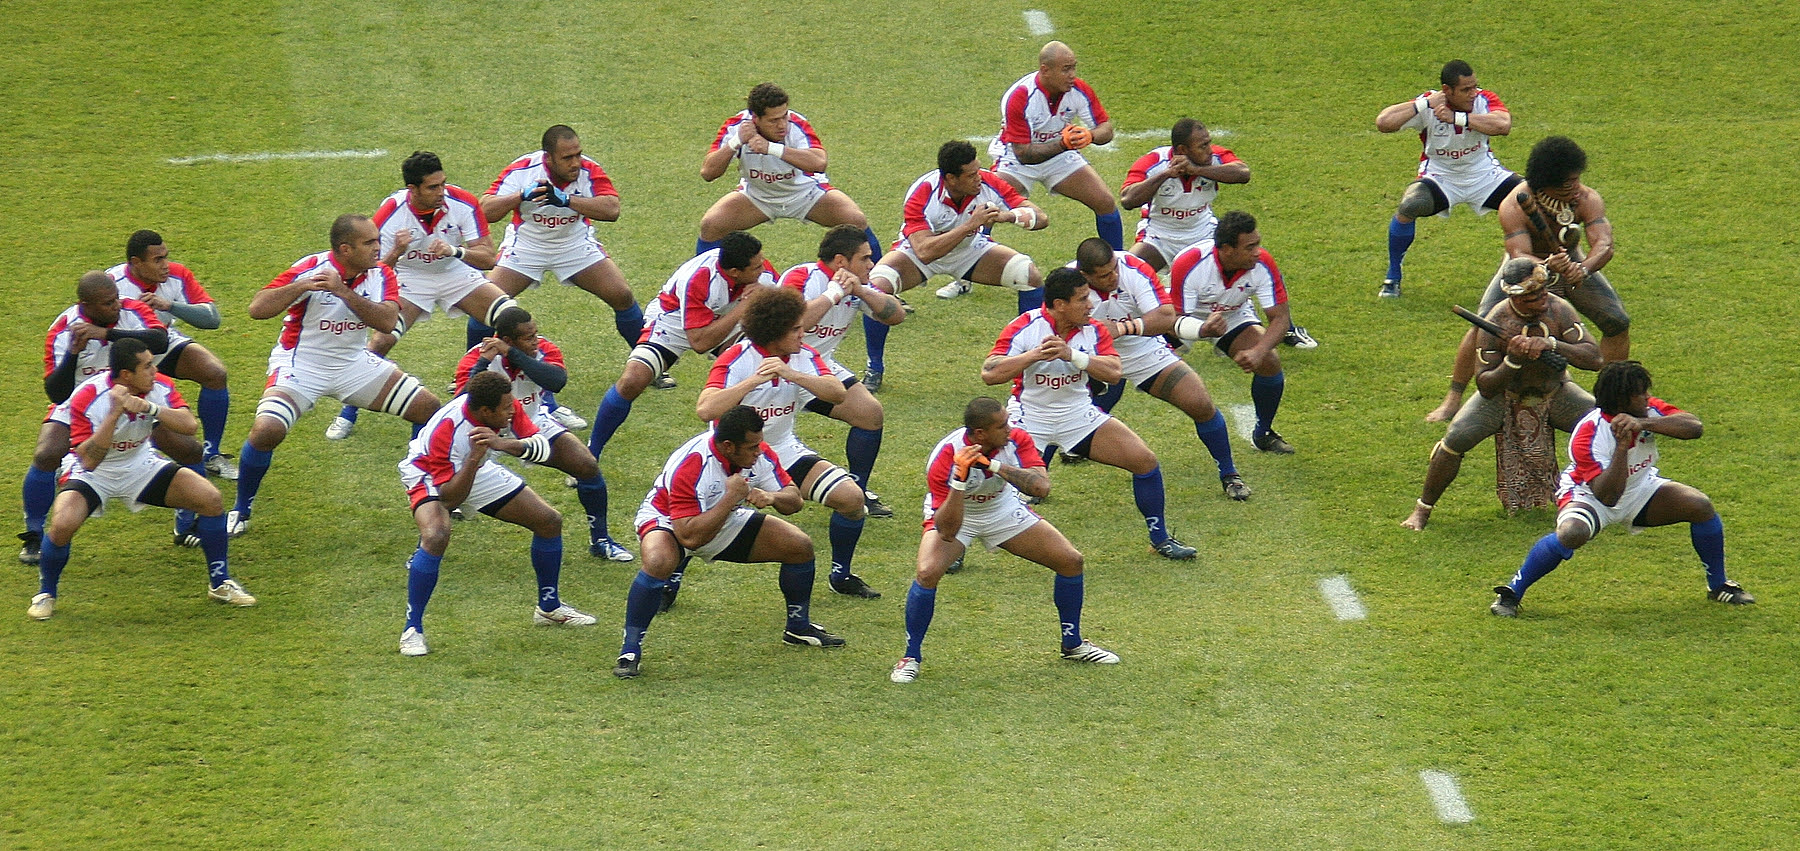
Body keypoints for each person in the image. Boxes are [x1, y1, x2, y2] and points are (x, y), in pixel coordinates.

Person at [229, 214, 442, 536]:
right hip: (301, 365)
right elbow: (256, 308)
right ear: (345, 249)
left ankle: (427, 491)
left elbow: (386, 322)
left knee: (429, 409)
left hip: (353, 364)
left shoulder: (381, 274)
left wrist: (344, 292)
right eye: (369, 242)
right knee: (266, 430)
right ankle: (240, 509)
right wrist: (301, 286)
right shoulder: (311, 265)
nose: (378, 247)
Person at [1490, 361, 1753, 616]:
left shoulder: (1648, 412)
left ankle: (1718, 586)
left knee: (1699, 505)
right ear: (1621, 401)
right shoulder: (1588, 434)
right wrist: (1622, 446)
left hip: (1640, 488)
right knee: (1572, 533)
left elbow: (1694, 428)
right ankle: (1512, 593)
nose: (1648, 398)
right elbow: (1608, 496)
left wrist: (1645, 424)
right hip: (1589, 496)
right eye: (1640, 394)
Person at [890, 396, 1118, 683]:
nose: (1009, 429)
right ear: (980, 433)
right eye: (1001, 426)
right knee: (927, 572)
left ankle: (1072, 644)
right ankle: (910, 656)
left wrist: (991, 466)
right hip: (957, 513)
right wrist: (960, 480)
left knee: (1070, 560)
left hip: (1002, 509)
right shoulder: (946, 456)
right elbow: (947, 530)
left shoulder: (1017, 439)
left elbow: (1042, 487)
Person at [28, 339, 254, 621]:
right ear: (125, 375)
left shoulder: (158, 386)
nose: (153, 370)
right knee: (62, 524)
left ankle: (220, 584)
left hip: (139, 464)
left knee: (210, 499)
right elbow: (89, 460)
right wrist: (115, 413)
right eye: (146, 366)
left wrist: (150, 408)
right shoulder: (87, 395)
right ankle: (46, 593)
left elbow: (189, 425)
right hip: (94, 474)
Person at [612, 405, 845, 679]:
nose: (759, 452)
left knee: (799, 546)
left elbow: (793, 501)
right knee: (658, 561)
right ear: (728, 446)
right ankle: (630, 650)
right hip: (670, 522)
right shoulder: (692, 463)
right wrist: (730, 498)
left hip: (723, 517)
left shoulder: (760, 454)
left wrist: (771, 498)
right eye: (751, 447)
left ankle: (798, 627)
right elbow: (689, 536)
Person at [984, 267, 1197, 560]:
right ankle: (956, 541)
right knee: (985, 477)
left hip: (1079, 416)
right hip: (1030, 419)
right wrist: (1035, 355)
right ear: (1060, 305)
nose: (1091, 305)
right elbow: (990, 373)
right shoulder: (1025, 326)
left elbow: (1114, 372)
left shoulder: (1094, 330)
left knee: (1144, 461)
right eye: (1083, 299)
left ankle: (1160, 539)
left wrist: (1073, 356)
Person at [700, 83, 900, 390]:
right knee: (711, 226)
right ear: (754, 118)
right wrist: (734, 144)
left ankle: (874, 313)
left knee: (856, 221)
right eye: (773, 120)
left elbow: (819, 162)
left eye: (784, 117)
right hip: (758, 196)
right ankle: (709, 298)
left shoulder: (795, 125)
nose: (782, 124)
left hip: (805, 193)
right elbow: (708, 172)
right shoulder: (736, 127)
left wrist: (771, 148)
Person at [1425, 135, 1626, 422]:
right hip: (1524, 270)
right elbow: (1519, 253)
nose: (1576, 188)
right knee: (1482, 324)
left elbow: (1604, 244)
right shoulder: (1515, 204)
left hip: (1573, 263)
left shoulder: (1587, 199)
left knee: (1617, 322)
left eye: (1577, 180)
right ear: (1546, 185)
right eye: (1567, 184)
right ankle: (1453, 399)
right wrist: (1547, 264)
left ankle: (1611, 400)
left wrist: (1583, 269)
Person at [697, 285, 881, 598]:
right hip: (731, 459)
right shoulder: (736, 359)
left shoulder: (802, 356)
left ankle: (840, 575)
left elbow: (837, 393)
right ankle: (670, 580)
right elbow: (706, 410)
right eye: (796, 329)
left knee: (852, 499)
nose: (803, 333)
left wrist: (792, 374)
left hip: (782, 451)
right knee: (698, 529)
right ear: (774, 332)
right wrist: (753, 381)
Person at [396, 372, 596, 656]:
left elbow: (540, 447)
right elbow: (450, 498)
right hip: (429, 475)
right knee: (436, 535)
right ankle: (412, 629)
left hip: (472, 467)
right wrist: (476, 458)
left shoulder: (503, 405)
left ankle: (549, 608)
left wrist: (502, 445)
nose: (512, 411)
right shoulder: (448, 428)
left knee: (549, 521)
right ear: (485, 411)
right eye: (505, 409)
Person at [328, 151, 523, 440]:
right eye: (433, 187)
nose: (441, 192)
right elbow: (374, 269)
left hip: (455, 272)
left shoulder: (462, 201)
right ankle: (347, 413)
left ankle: (540, 407)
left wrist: (455, 251)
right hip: (410, 279)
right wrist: (396, 251)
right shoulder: (391, 212)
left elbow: (488, 258)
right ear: (412, 190)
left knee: (514, 321)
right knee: (382, 340)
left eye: (443, 183)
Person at [1402, 259, 1602, 530]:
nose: (1542, 299)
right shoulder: (1495, 321)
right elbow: (1486, 386)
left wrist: (1551, 344)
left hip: (1555, 392)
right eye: (1533, 296)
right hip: (1504, 396)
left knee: (1607, 426)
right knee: (1456, 438)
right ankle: (1422, 510)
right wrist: (1513, 360)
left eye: (1543, 291)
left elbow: (1594, 358)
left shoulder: (1559, 310)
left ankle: (1617, 499)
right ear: (1514, 297)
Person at [1070, 238, 1250, 500]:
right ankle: (1033, 485)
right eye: (1104, 275)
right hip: (1092, 354)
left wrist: (1122, 328)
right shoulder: (1068, 284)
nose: (1113, 277)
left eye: (1113, 270)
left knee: (1199, 402)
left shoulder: (1133, 268)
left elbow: (1165, 316)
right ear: (1084, 274)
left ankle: (1229, 474)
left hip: (1141, 348)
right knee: (1054, 409)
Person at [21, 272, 176, 564]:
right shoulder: (63, 329)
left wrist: (106, 334)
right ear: (85, 305)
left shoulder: (131, 309)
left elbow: (160, 340)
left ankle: (188, 522)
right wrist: (72, 355)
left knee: (186, 446)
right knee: (46, 454)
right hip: (80, 404)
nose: (116, 305)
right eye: (107, 303)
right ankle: (33, 536)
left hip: (137, 398)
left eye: (116, 298)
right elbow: (56, 393)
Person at [454, 307, 631, 562]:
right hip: (483, 431)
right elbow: (461, 404)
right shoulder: (475, 359)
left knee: (586, 465)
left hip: (533, 420)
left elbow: (556, 381)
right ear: (506, 339)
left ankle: (601, 540)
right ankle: (425, 545)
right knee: (444, 491)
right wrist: (484, 362)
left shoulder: (544, 349)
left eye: (535, 334)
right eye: (528, 338)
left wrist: (514, 353)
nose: (536, 341)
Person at [1118, 119, 1313, 349]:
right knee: (1126, 273)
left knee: (1242, 267)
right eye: (1202, 146)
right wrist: (1166, 175)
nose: (1209, 149)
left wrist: (1198, 170)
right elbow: (1128, 199)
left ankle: (1284, 327)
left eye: (1209, 143)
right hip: (1160, 238)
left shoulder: (1213, 159)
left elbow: (1243, 173)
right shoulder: (1154, 161)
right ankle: (1121, 327)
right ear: (1182, 150)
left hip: (1204, 236)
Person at [587, 230, 776, 459]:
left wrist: (765, 296)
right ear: (735, 272)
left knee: (756, 370)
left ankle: (751, 451)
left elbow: (786, 295)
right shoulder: (699, 277)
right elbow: (699, 341)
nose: (763, 269)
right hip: (675, 320)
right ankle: (591, 453)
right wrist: (744, 307)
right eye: (756, 268)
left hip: (728, 317)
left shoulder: (758, 269)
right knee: (631, 381)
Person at [477, 125, 644, 362]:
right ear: (548, 158)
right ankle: (470, 370)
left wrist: (566, 200)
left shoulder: (589, 169)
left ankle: (648, 362)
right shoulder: (524, 169)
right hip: (527, 245)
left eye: (578, 154)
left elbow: (612, 209)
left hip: (573, 244)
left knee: (622, 295)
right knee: (486, 303)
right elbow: (485, 210)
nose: (576, 163)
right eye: (567, 158)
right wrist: (521, 196)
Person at [779, 225, 908, 518]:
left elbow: (895, 315)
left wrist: (860, 289)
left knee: (870, 414)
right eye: (864, 258)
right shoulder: (801, 277)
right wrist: (834, 294)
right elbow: (795, 324)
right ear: (840, 261)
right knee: (758, 439)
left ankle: (858, 490)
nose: (871, 264)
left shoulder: (857, 286)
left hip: (819, 364)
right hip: (777, 367)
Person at [867, 139, 1047, 347]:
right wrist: (970, 225)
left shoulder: (988, 181)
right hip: (918, 253)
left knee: (1028, 275)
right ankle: (875, 367)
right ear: (951, 179)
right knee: (876, 289)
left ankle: (1030, 353)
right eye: (971, 175)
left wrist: (1007, 216)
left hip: (968, 251)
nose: (978, 178)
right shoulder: (923, 193)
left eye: (978, 170)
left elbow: (1041, 218)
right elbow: (925, 252)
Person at [1374, 60, 1517, 299]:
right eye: (1465, 90)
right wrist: (1424, 104)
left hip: (1485, 175)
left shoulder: (1484, 99)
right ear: (1447, 89)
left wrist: (1457, 118)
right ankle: (1393, 276)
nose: (1473, 94)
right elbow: (1383, 123)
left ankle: (1541, 271)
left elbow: (1503, 125)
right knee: (1410, 205)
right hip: (1442, 177)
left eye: (1474, 87)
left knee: (1534, 200)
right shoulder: (1429, 104)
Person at [1164, 211, 1298, 455]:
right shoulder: (1191, 262)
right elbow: (1174, 320)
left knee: (1270, 361)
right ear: (1226, 249)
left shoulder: (1262, 263)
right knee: (1132, 359)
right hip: (1186, 316)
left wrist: (1259, 351)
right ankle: (1089, 427)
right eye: (1250, 247)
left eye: (1258, 243)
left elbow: (1280, 319)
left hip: (1232, 314)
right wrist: (1202, 329)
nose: (1258, 251)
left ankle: (1264, 433)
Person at [107, 230, 238, 480]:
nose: (166, 265)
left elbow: (212, 319)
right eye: (157, 260)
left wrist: (170, 306)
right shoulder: (111, 283)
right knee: (103, 401)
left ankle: (211, 454)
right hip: (120, 355)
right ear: (136, 263)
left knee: (214, 373)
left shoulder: (177, 275)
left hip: (163, 342)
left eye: (166, 257)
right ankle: (78, 456)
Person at [989, 41, 1123, 256]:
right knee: (988, 205)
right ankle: (965, 275)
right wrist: (1063, 144)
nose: (1072, 75)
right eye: (1066, 69)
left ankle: (1119, 264)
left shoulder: (1078, 89)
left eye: (1073, 67)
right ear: (1045, 70)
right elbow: (1023, 154)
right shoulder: (1020, 96)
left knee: (1105, 202)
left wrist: (1091, 135)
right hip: (1016, 160)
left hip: (1060, 157)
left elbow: (1106, 129)